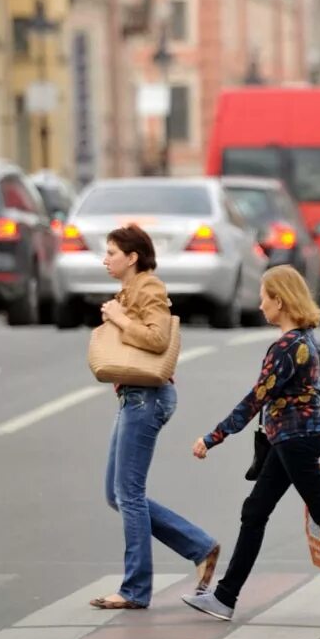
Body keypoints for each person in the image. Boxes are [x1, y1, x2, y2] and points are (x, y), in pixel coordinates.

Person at [183, 265, 320, 625]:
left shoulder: (288, 348)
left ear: (280, 300)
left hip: (296, 439)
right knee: (255, 511)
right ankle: (225, 598)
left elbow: (255, 399)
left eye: (264, 298)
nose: (261, 306)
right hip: (293, 437)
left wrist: (213, 437)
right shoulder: (306, 341)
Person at [90, 225, 220, 610]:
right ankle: (200, 546)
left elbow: (158, 339)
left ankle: (134, 589)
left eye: (112, 252)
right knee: (117, 494)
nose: (105, 259)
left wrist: (117, 317)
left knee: (127, 495)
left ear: (132, 257)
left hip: (148, 398)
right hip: (134, 396)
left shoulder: (149, 287)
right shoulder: (131, 289)